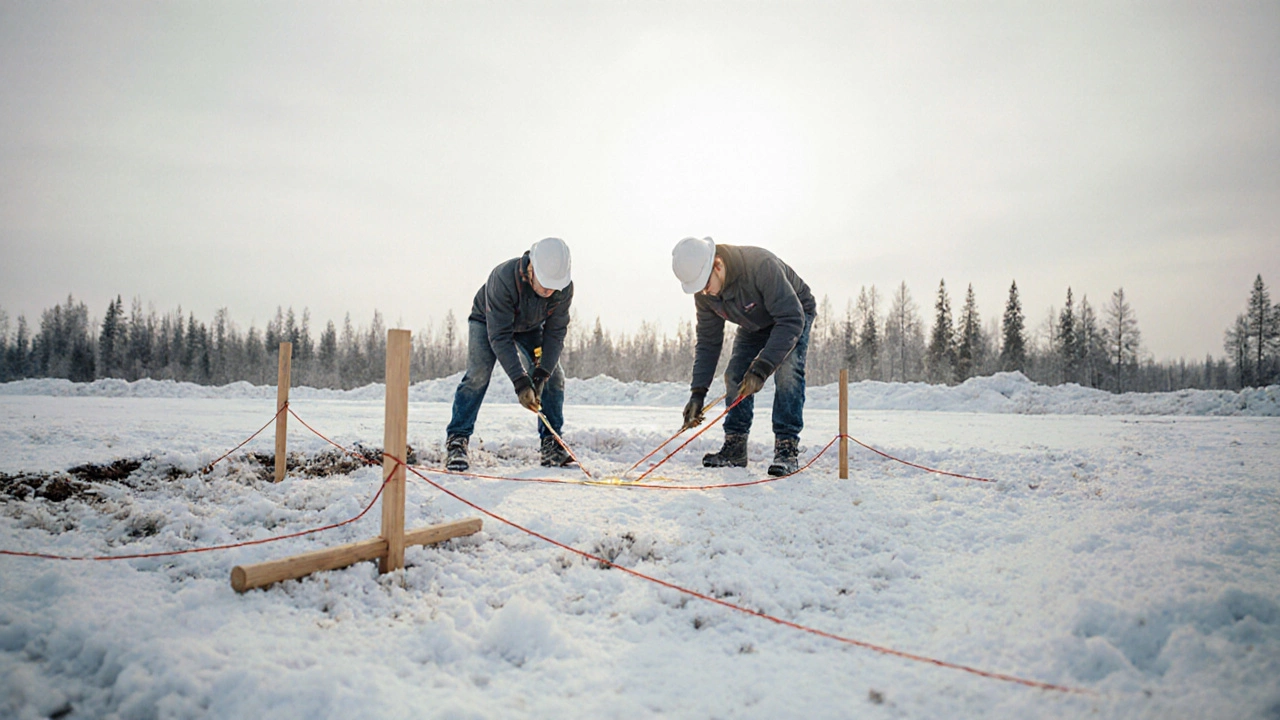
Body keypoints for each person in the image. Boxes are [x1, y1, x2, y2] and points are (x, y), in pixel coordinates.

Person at [671, 236, 816, 476]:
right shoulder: (704, 294)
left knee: (788, 373)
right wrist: (698, 393)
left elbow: (791, 319)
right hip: (754, 322)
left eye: (706, 285)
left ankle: (786, 448)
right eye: (699, 289)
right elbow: (708, 343)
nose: (705, 293)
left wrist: (762, 367)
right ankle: (735, 447)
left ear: (717, 265)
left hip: (792, 314)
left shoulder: (761, 266)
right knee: (735, 375)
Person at [445, 237, 574, 471]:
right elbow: (500, 337)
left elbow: (555, 334)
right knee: (478, 375)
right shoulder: (503, 278)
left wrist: (541, 374)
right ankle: (457, 440)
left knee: (554, 378)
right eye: (544, 284)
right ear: (531, 268)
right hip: (488, 322)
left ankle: (551, 443)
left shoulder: (562, 290)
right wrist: (521, 382)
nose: (548, 291)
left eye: (553, 287)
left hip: (530, 328)